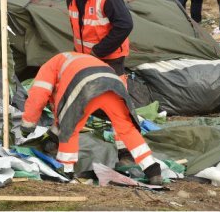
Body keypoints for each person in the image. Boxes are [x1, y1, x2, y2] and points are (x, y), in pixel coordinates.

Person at [20, 52, 164, 185]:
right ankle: (152, 170)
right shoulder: (74, 60)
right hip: (114, 84)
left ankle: (66, 170)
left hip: (85, 85)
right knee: (127, 128)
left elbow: (37, 98)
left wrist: (27, 127)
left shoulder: (48, 68)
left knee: (70, 128)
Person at [7, 0, 132, 76]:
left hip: (109, 59)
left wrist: (97, 52)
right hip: (84, 56)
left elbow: (125, 25)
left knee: (111, 94)